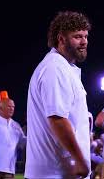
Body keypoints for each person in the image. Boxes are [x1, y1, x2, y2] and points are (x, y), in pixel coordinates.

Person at [25, 10, 91, 179]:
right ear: (61, 39)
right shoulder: (55, 67)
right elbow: (58, 119)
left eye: (85, 36)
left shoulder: (65, 68)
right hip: (53, 173)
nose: (84, 41)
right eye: (77, 36)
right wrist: (80, 160)